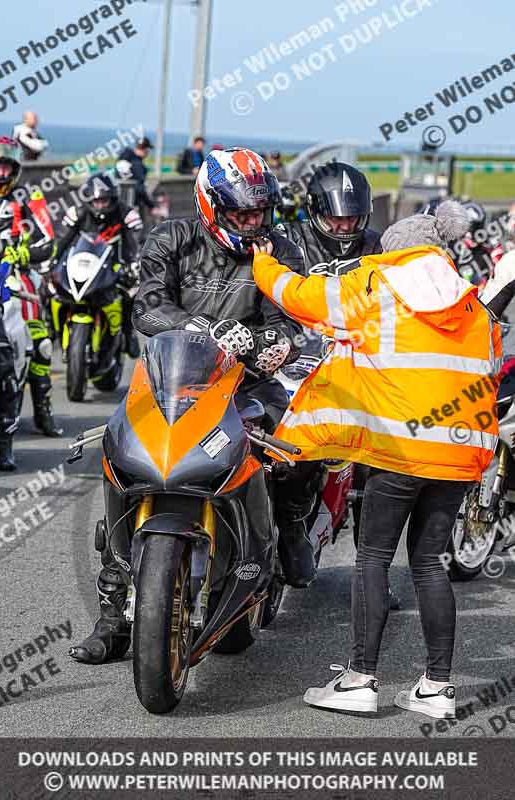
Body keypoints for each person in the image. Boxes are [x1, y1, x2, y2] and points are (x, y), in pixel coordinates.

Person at [251, 201, 503, 719]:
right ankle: (437, 688)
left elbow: (301, 297)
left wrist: (263, 262)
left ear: (394, 254)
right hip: (458, 456)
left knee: (373, 558)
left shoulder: (375, 288)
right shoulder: (475, 308)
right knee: (429, 562)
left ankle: (361, 680)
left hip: (399, 449)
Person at [69, 147, 317, 665]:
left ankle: (289, 530)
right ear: (211, 205)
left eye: (259, 212)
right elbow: (148, 306)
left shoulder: (280, 248)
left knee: (296, 438)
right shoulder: (172, 239)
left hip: (248, 382)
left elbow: (295, 313)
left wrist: (279, 343)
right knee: (120, 457)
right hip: (170, 376)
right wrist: (203, 327)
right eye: (241, 213)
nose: (253, 223)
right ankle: (114, 620)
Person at [279, 161, 398, 604]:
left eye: (352, 218)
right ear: (315, 213)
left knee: (379, 467)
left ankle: (374, 578)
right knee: (278, 442)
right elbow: (267, 292)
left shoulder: (379, 248)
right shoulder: (288, 244)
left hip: (360, 365)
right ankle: (289, 524)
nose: (345, 226)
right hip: (294, 358)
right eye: (336, 218)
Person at [0, 136, 60, 469]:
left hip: (7, 285)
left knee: (16, 359)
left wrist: (23, 252)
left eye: (5, 167)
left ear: (14, 169)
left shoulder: (28, 197)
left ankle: (5, 444)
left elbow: (49, 241)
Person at [55, 173, 142, 358]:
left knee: (131, 292)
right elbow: (62, 240)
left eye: (105, 200)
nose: (100, 205)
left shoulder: (127, 214)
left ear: (113, 199)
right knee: (51, 289)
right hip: (84, 265)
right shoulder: (76, 213)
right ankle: (51, 329)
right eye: (96, 201)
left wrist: (135, 263)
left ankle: (129, 332)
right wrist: (52, 260)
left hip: (116, 265)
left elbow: (135, 243)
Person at [117, 137, 155, 222]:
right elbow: (139, 188)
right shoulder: (137, 165)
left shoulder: (122, 158)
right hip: (133, 204)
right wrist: (151, 205)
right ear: (145, 149)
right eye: (147, 149)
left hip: (118, 203)